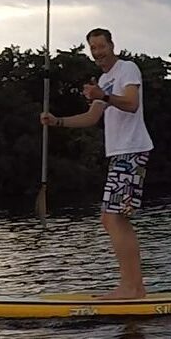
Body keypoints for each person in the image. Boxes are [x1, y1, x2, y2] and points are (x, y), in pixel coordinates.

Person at [40, 28, 154, 299]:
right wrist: (57, 121)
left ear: (112, 45)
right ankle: (133, 286)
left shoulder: (127, 69)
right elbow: (91, 118)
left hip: (132, 150)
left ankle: (132, 288)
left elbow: (132, 104)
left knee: (114, 218)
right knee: (111, 218)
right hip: (119, 155)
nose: (97, 52)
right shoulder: (104, 80)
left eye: (101, 46)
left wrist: (102, 95)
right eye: (93, 48)